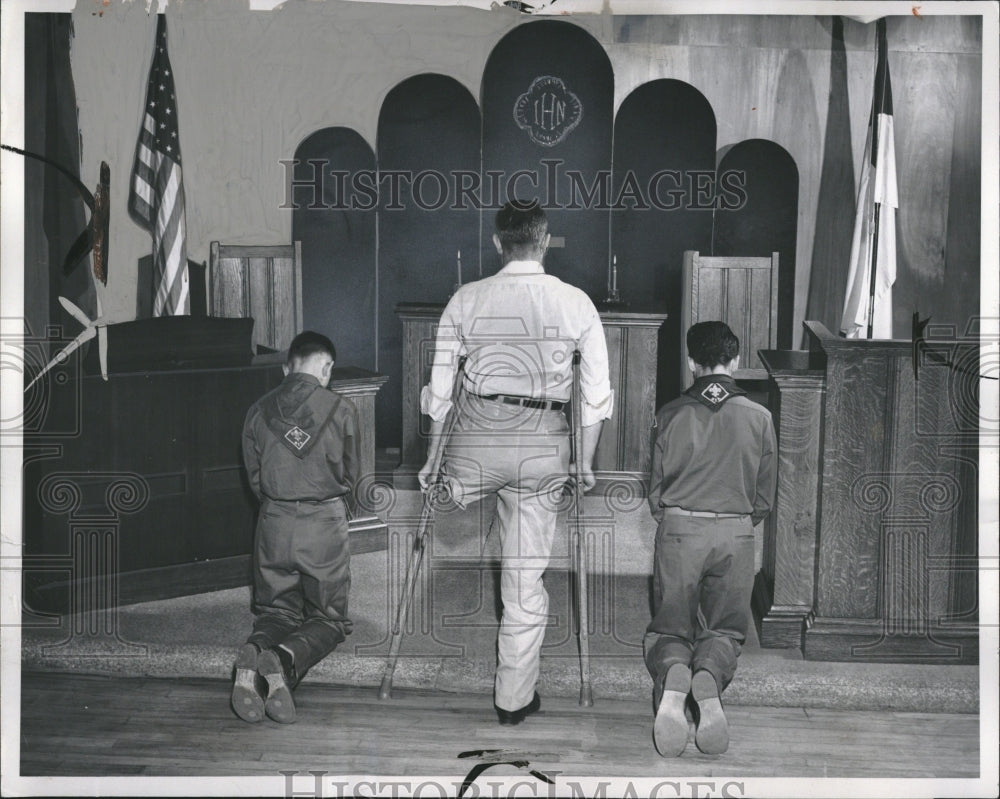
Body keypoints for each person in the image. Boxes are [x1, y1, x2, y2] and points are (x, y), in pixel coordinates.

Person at [418, 200, 614, 725]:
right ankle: (512, 699)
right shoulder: (576, 303)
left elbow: (441, 390)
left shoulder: (467, 297)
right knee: (525, 575)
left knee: (459, 487)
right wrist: (584, 464)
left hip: (474, 449)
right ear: (544, 242)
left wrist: (432, 462)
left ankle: (452, 493)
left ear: (498, 243)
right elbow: (595, 397)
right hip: (543, 449)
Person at [644, 321, 776, 756]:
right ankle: (708, 675)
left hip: (682, 529)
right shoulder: (760, 417)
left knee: (670, 625)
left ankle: (676, 671)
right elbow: (764, 495)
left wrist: (675, 518)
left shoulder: (669, 413)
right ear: (735, 362)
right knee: (724, 629)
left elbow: (656, 491)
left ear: (690, 363)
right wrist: (738, 522)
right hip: (736, 531)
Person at [232, 330, 360, 724]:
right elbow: (354, 473)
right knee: (328, 619)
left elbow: (254, 478)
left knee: (275, 612)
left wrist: (276, 505)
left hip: (272, 520)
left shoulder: (257, 409)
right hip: (322, 521)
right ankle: (283, 660)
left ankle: (254, 656)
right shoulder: (341, 407)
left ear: (288, 366)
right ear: (326, 367)